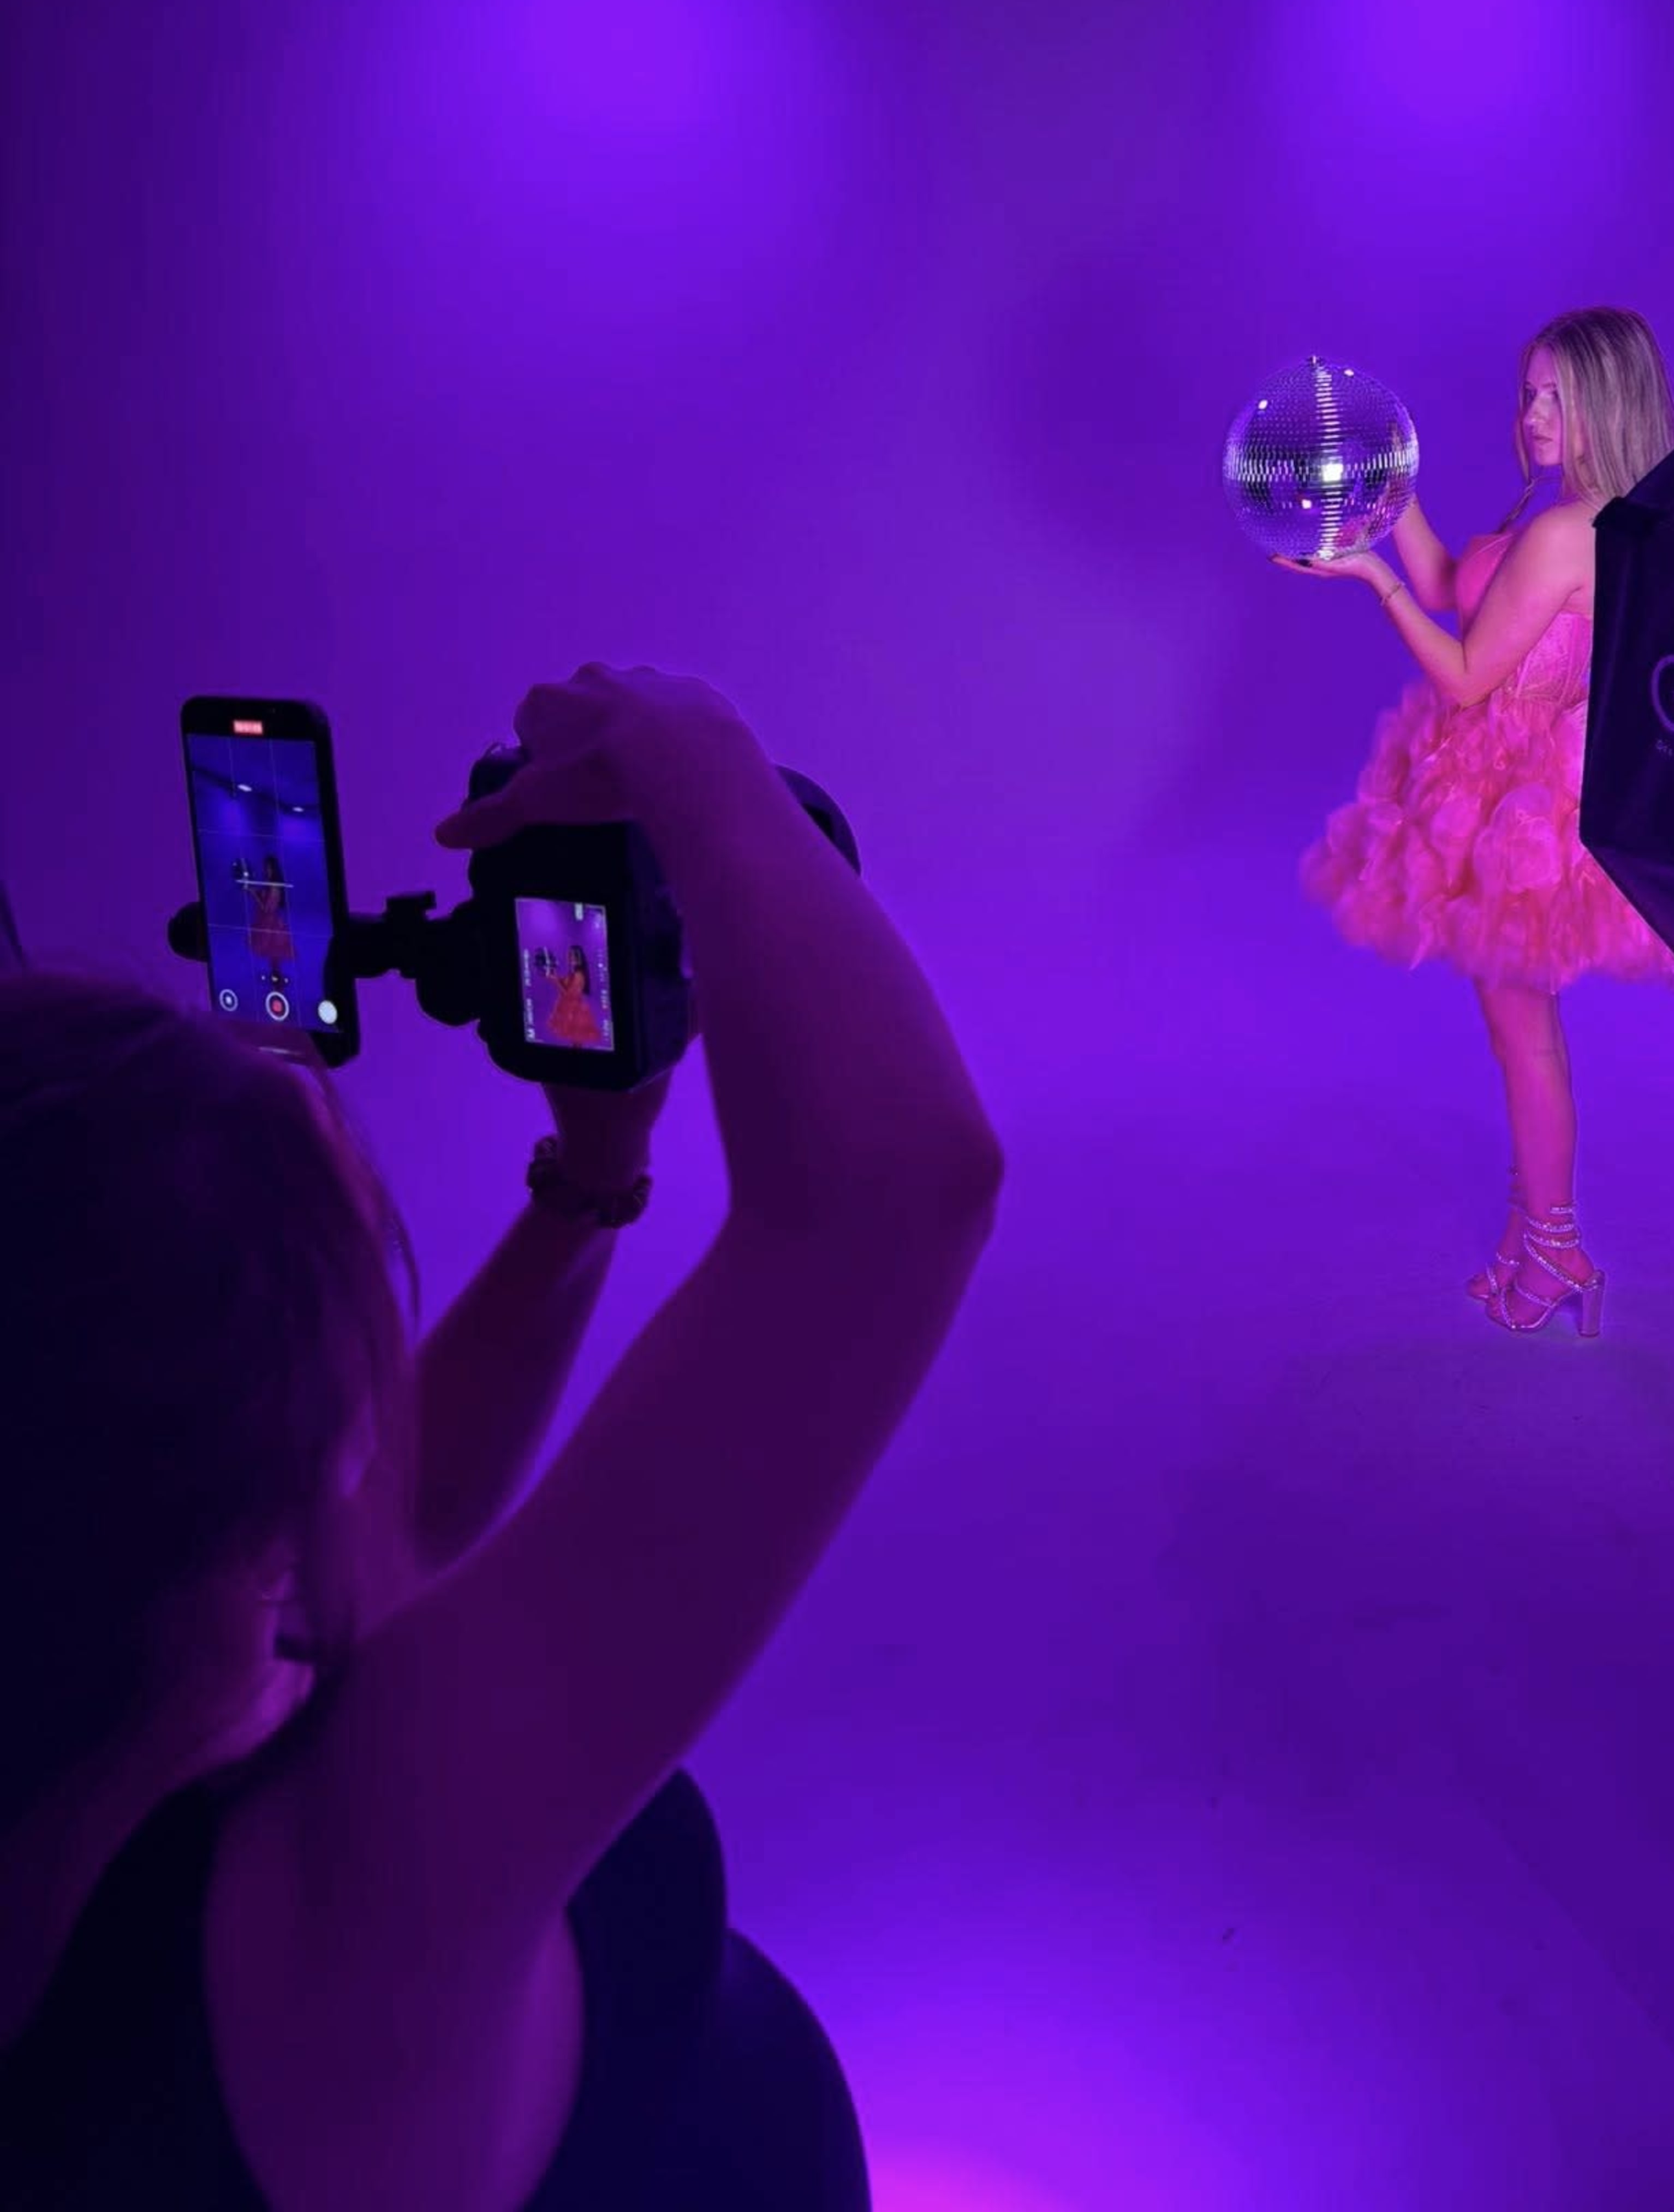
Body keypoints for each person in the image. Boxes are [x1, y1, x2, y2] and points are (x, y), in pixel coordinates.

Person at [0, 663, 1005, 2208]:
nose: (365, 1453)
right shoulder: (352, 1886)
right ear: (239, 1551)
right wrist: (695, 752)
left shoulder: (114, 1754)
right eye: (342, 1392)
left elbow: (397, 1521)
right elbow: (894, 1190)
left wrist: (589, 1182)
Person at [1283, 310, 1674, 1337]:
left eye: (1558, 396)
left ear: (1609, 403)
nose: (1534, 413)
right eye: (1529, 392)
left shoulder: (1571, 532)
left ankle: (1557, 1249)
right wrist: (1388, 495)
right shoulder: (1552, 518)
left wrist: (1368, 581)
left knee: (1524, 1037)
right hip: (1492, 789)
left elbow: (1464, 674)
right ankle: (1533, 1236)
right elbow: (1449, 589)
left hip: (1524, 809)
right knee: (1516, 1031)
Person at [546, 941, 604, 1050]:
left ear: (578, 958)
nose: (569, 958)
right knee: (575, 1041)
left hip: (575, 1012)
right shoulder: (573, 974)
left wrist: (555, 981)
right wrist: (554, 977)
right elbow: (564, 983)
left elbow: (568, 995)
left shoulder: (579, 976)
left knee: (577, 1041)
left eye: (572, 956)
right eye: (569, 955)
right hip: (570, 1010)